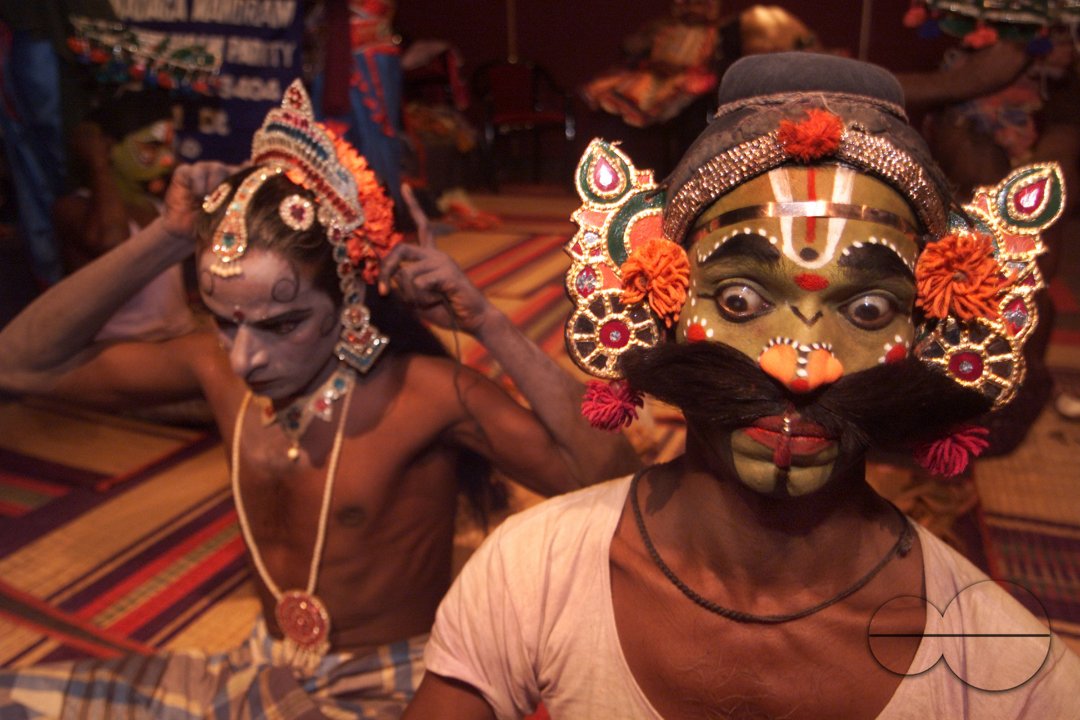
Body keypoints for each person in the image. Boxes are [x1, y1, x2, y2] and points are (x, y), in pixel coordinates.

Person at [404, 53, 1080, 718]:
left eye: (868, 311)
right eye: (738, 301)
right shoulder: (526, 579)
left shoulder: (1007, 673)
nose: (802, 368)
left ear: (931, 335)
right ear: (657, 302)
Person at [0, 79, 635, 718]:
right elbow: (19, 365)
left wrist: (488, 324)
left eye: (283, 325)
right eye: (225, 322)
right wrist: (168, 235)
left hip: (392, 685)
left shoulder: (423, 394)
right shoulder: (217, 371)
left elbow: (607, 477)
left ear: (351, 302)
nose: (245, 357)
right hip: (255, 668)